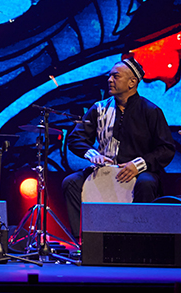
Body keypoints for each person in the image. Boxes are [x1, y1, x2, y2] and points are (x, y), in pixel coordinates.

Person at [61, 56, 175, 236]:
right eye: (110, 76)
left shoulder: (150, 111)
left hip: (138, 171)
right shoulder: (99, 108)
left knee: (147, 185)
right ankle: (82, 240)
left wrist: (137, 165)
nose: (109, 80)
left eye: (116, 76)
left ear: (132, 82)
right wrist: (92, 155)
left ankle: (139, 240)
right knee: (71, 183)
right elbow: (76, 138)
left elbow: (166, 149)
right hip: (104, 169)